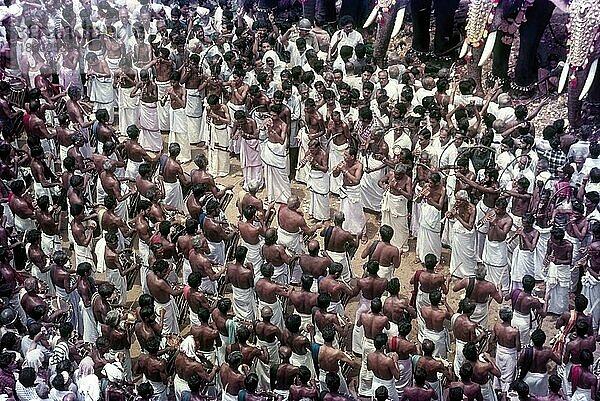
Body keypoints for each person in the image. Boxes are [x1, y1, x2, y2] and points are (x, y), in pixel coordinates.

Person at [452, 263, 502, 328]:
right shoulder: (490, 286)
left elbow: (455, 289)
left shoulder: (467, 281)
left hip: (468, 307)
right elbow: (500, 300)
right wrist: (499, 288)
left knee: (465, 326)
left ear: (475, 272)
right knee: (481, 329)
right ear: (485, 274)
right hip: (482, 310)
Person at [333, 147, 365, 239]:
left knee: (357, 212)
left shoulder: (359, 165)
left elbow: (356, 180)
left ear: (352, 156)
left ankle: (361, 232)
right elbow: (335, 175)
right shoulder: (343, 163)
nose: (344, 156)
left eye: (346, 155)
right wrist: (337, 170)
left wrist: (345, 171)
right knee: (345, 212)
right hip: (345, 190)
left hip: (354, 192)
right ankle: (347, 230)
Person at [518, 329, 560, 397]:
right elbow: (559, 362)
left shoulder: (525, 351)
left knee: (527, 396)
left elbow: (519, 364)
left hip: (529, 377)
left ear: (532, 339)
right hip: (542, 378)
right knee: (542, 397)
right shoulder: (548, 352)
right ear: (544, 341)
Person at [321, 212, 358, 283]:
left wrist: (326, 228)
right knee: (345, 276)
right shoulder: (346, 234)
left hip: (328, 255)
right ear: (344, 219)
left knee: (329, 274)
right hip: (340, 257)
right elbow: (355, 245)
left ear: (334, 220)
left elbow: (322, 234)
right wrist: (358, 237)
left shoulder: (328, 228)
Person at [368, 333, 400, 401]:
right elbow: (397, 376)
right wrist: (395, 361)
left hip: (375, 382)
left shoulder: (370, 356)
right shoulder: (388, 361)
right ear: (383, 346)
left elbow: (369, 368)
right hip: (388, 386)